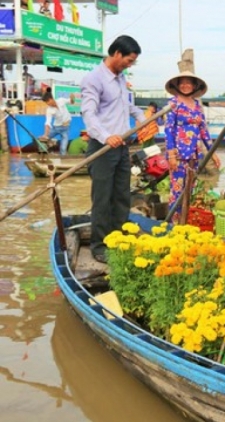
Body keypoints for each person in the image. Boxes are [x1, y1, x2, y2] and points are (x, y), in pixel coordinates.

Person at [81, 35, 146, 264]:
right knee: (102, 199)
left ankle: (119, 239)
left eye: (133, 62)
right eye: (129, 60)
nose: (130, 64)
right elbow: (89, 113)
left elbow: (125, 105)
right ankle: (99, 246)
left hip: (122, 147)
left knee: (121, 196)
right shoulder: (94, 79)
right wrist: (106, 137)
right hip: (102, 147)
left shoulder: (120, 78)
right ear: (116, 54)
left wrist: (141, 117)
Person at [164, 69, 220, 223]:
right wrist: (171, 155)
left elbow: (204, 132)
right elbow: (168, 130)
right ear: (177, 85)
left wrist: (212, 153)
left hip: (194, 155)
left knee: (190, 189)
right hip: (178, 154)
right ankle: (173, 224)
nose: (185, 85)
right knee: (177, 190)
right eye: (182, 83)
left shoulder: (197, 106)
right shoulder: (173, 104)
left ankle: (185, 221)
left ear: (195, 86)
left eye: (189, 82)